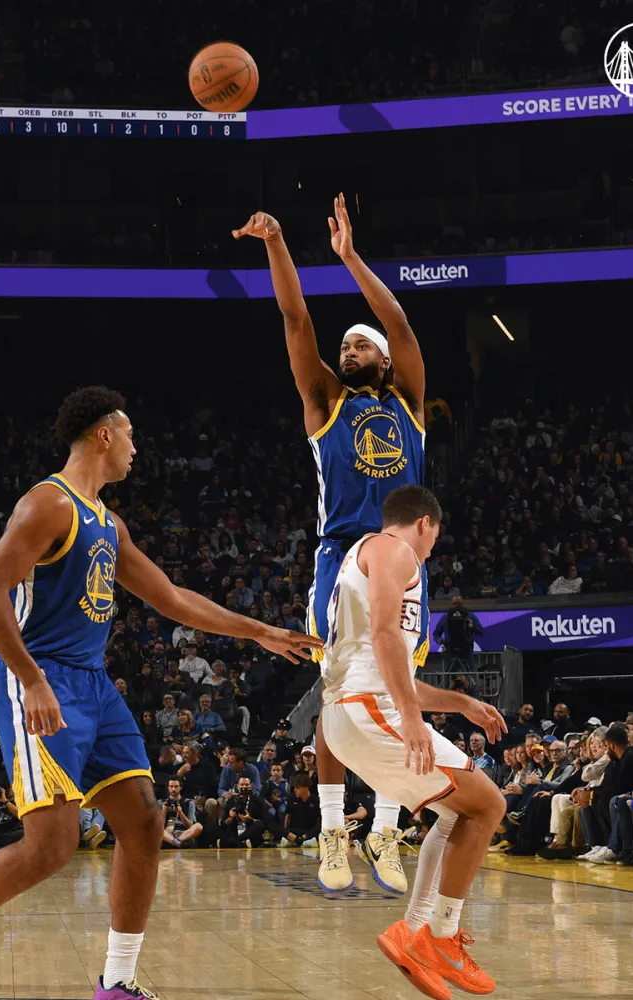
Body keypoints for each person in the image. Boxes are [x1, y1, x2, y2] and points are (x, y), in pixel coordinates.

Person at [0, 386, 321, 1000]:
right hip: (41, 679)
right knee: (52, 846)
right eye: (130, 434)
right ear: (104, 433)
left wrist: (258, 631)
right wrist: (32, 680)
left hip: (94, 687)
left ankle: (118, 982)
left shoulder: (107, 522)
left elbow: (172, 598)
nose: (136, 447)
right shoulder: (48, 504)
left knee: (145, 819)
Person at [233, 194, 428, 894]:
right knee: (339, 689)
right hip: (343, 555)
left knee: (401, 690)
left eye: (360, 344)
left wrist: (350, 258)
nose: (349, 349)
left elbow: (400, 322)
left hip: (404, 558)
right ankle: (330, 829)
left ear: (382, 358)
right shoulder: (326, 400)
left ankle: (384, 829)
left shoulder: (407, 403)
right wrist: (279, 243)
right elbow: (295, 318)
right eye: (345, 345)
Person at [321, 485, 506, 997]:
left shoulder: (369, 559)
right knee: (489, 803)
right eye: (435, 538)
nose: (431, 549)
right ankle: (438, 937)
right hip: (365, 707)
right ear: (425, 523)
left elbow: (393, 663)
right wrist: (409, 718)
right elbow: (383, 635)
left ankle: (419, 931)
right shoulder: (393, 549)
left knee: (461, 811)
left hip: (354, 709)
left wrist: (461, 703)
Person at [432, 597, 484, 672]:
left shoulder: (470, 616)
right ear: (451, 604)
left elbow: (481, 631)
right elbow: (436, 634)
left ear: (463, 604)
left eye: (459, 604)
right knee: (449, 676)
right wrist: (438, 640)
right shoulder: (445, 618)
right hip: (450, 651)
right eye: (455, 604)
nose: (457, 606)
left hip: (466, 650)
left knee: (470, 675)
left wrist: (471, 627)